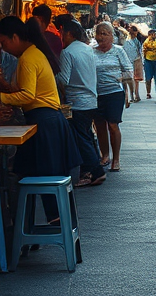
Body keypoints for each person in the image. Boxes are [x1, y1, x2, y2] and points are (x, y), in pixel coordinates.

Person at [0, 17, 81, 222]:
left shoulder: (28, 58)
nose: (2, 49)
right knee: (41, 175)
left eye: (3, 43)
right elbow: (29, 92)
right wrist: (5, 85)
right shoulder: (33, 54)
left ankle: (50, 221)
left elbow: (28, 96)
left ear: (14, 37)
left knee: (43, 177)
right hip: (48, 120)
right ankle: (43, 222)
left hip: (44, 121)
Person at [55, 18, 106, 188]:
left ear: (69, 33)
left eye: (62, 32)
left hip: (77, 101)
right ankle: (88, 172)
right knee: (87, 136)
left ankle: (97, 171)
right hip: (91, 100)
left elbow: (63, 80)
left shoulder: (68, 52)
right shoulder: (87, 49)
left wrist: (49, 77)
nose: (60, 36)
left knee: (82, 138)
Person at [93, 22, 133, 172]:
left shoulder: (119, 51)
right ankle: (105, 155)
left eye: (105, 33)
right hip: (96, 94)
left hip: (114, 93)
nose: (101, 36)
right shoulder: (91, 52)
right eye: (99, 33)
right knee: (99, 125)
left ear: (111, 36)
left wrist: (119, 79)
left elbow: (129, 71)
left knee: (113, 125)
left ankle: (116, 159)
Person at [123, 25, 143, 103]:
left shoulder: (137, 41)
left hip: (136, 60)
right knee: (132, 79)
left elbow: (140, 51)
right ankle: (134, 95)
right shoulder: (128, 41)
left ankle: (135, 95)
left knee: (134, 79)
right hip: (131, 61)